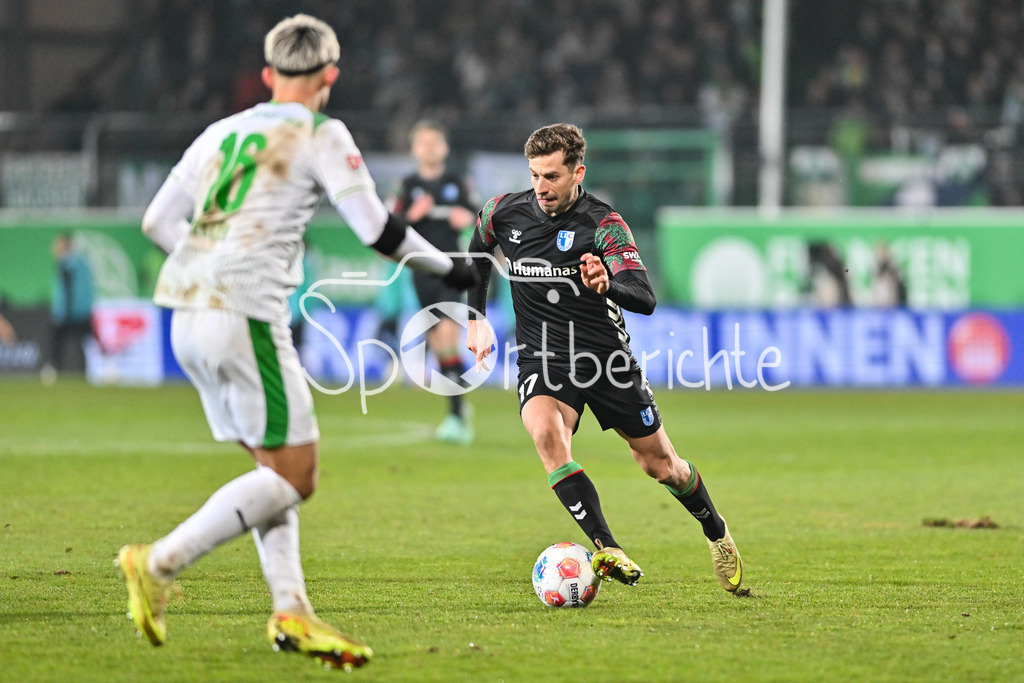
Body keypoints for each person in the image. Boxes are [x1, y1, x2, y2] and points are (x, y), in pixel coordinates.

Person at [118, 14, 475, 671]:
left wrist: (205, 263)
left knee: (271, 471)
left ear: (267, 74)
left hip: (188, 313)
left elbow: (156, 219)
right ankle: (159, 560)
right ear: (330, 76)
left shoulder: (221, 131)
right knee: (298, 474)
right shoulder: (320, 131)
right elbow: (378, 230)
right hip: (244, 313)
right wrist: (453, 268)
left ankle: (292, 609)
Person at [465, 123, 743, 593]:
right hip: (543, 358)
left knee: (660, 465)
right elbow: (474, 253)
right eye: (535, 175)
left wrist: (605, 284)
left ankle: (716, 531)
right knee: (546, 434)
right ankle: (606, 547)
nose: (541, 187)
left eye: (552, 176)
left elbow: (643, 296)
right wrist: (475, 317)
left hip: (605, 361)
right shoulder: (502, 213)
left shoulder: (604, 224)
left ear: (578, 173)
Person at [392, 120, 478, 444]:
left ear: (444, 148)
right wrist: (413, 215)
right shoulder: (408, 185)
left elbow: (481, 214)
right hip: (421, 272)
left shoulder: (457, 183)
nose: (429, 148)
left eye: (434, 142)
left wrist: (468, 217)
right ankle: (458, 409)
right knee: (440, 346)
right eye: (423, 143)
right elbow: (392, 224)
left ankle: (458, 420)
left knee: (446, 339)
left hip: (453, 270)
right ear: (415, 149)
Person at [48, 232, 94, 374]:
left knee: (67, 342)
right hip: (76, 311)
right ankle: (88, 370)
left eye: (58, 244)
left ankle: (54, 368)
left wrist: (66, 311)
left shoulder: (70, 264)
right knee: (83, 342)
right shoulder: (77, 263)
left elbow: (72, 291)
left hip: (72, 312)